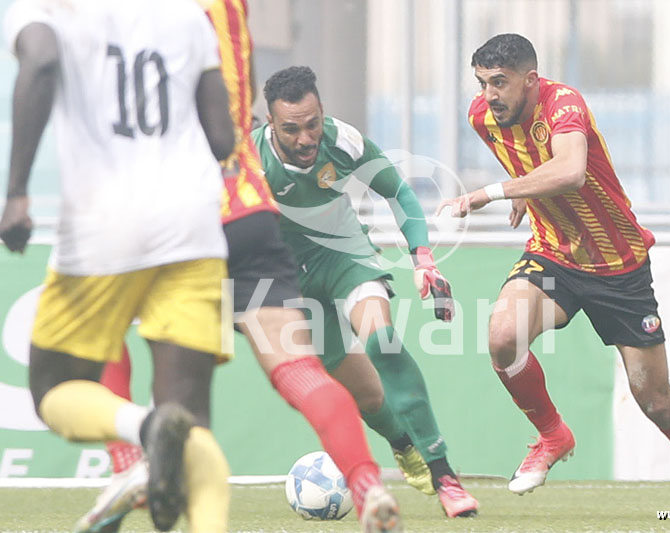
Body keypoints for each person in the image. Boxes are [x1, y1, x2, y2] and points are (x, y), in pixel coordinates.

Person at [72, 2, 403, 532]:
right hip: (244, 208)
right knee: (298, 370)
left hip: (155, 211)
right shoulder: (226, 10)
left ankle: (127, 464)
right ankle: (367, 486)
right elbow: (234, 109)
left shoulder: (111, 18)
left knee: (103, 336)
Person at [438, 33, 670, 512]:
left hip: (619, 266)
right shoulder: (483, 117)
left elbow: (570, 171)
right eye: (483, 82)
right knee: (503, 334)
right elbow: (531, 159)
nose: (489, 95)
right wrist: (529, 190)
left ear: (532, 80)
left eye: (500, 83)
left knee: (654, 401)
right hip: (555, 258)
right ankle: (552, 435)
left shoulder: (564, 103)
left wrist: (492, 193)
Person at [0, 0, 237, 532]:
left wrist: (16, 191)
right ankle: (167, 430)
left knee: (53, 392)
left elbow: (38, 61)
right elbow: (222, 137)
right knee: (194, 424)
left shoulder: (46, 7)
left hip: (102, 224)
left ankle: (144, 425)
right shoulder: (188, 15)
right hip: (193, 225)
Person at [252, 66, 479, 518]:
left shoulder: (343, 142)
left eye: (313, 123)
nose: (305, 138)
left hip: (345, 261)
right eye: (291, 129)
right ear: (271, 125)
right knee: (370, 398)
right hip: (289, 283)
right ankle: (401, 442)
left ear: (322, 112)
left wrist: (423, 259)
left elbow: (400, 194)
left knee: (383, 342)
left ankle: (444, 474)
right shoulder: (250, 159)